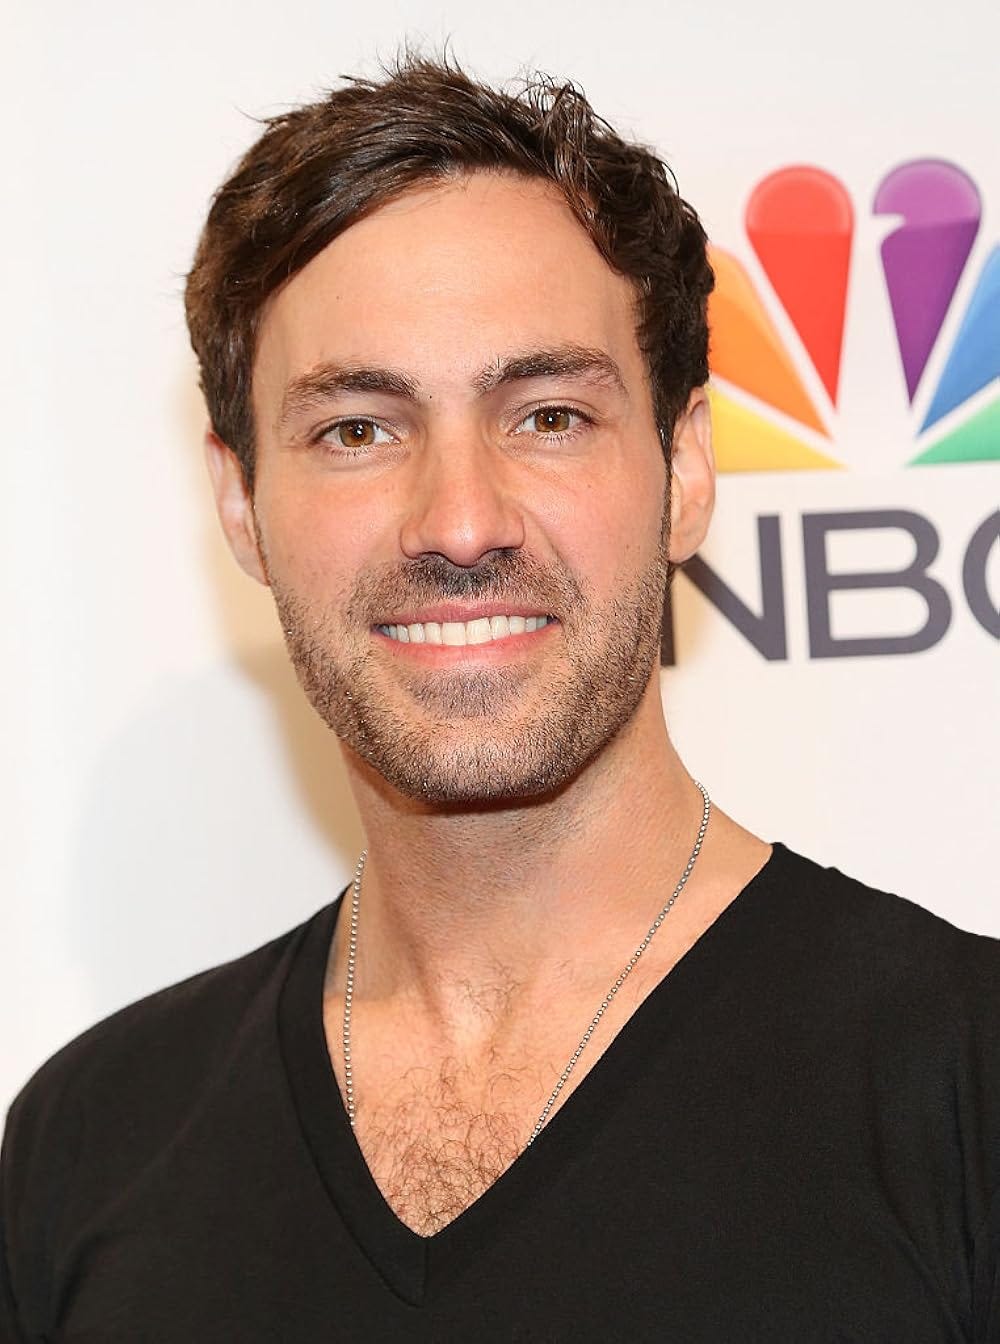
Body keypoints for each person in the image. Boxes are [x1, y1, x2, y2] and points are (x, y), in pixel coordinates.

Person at [1, 54, 998, 1343]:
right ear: (241, 504)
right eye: (358, 429)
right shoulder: (89, 1145)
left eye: (549, 415)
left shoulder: (962, 1084)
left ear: (687, 469)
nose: (461, 521)